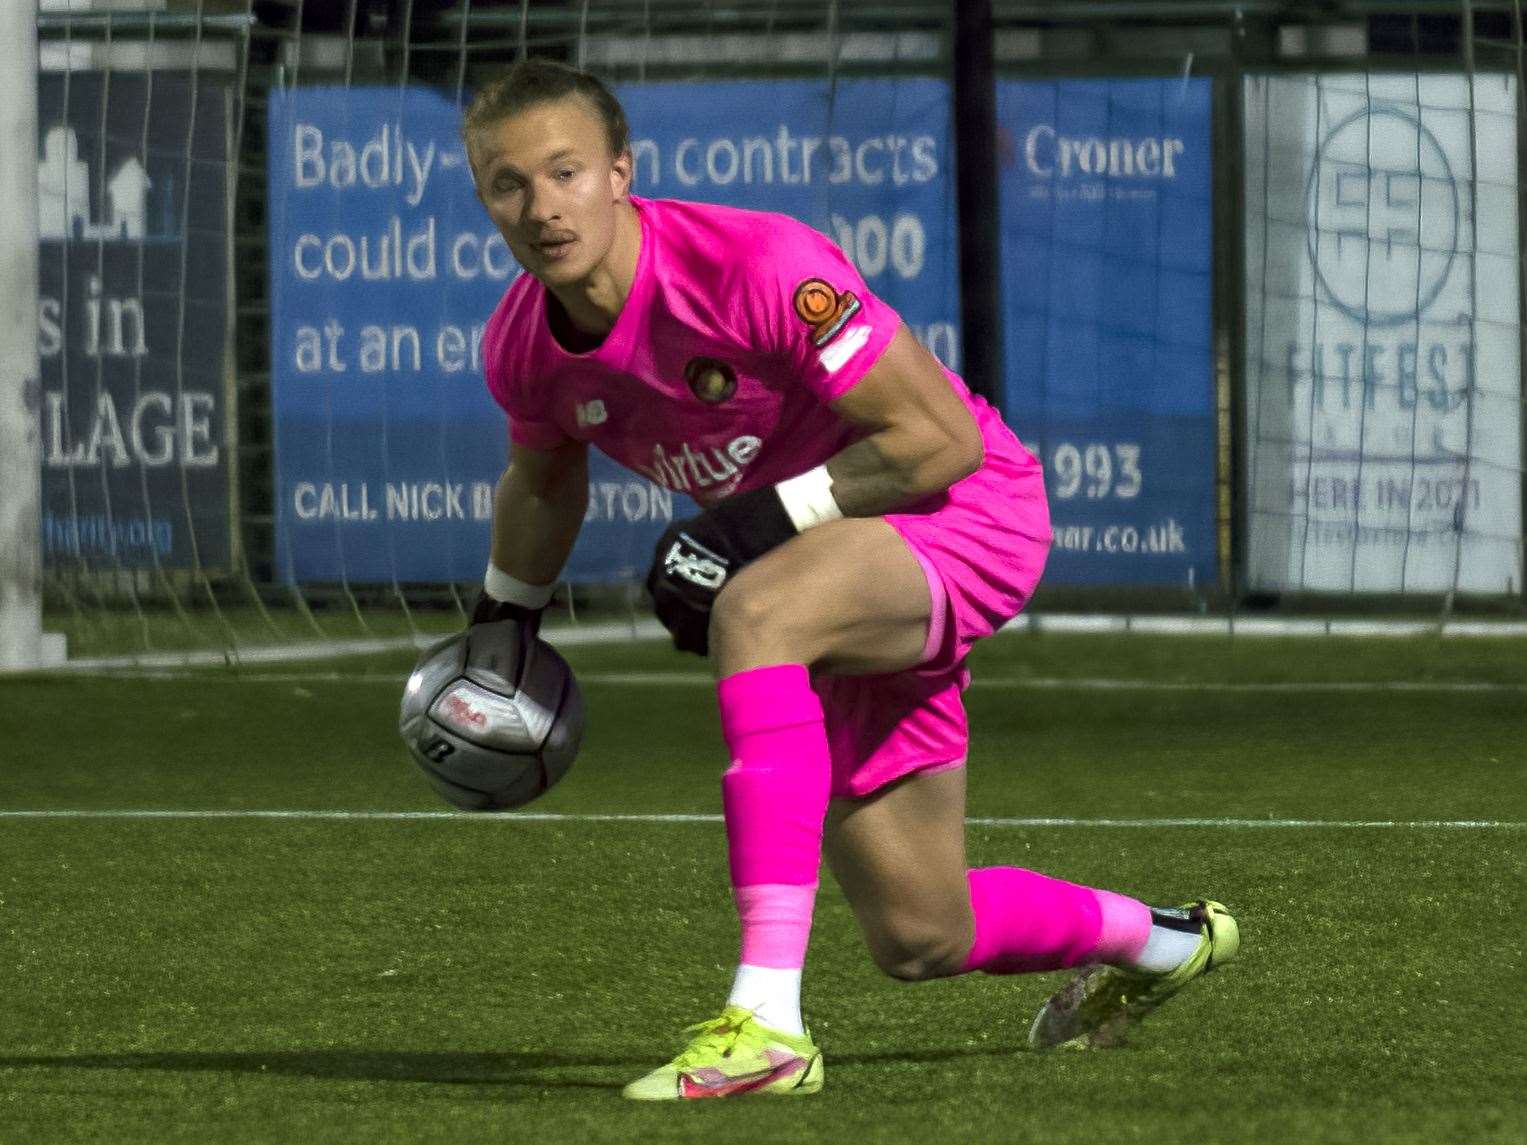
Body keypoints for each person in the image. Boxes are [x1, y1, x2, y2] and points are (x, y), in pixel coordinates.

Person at [463, 58, 1239, 1102]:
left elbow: (939, 440)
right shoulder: (524, 346)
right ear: (485, 199)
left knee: (756, 610)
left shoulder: (757, 263)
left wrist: (746, 523)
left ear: (620, 173)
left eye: (565, 172)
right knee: (922, 930)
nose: (542, 206)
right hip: (838, 560)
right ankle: (1165, 940)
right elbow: (544, 476)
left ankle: (768, 1025)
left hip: (960, 511)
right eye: (511, 184)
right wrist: (502, 621)